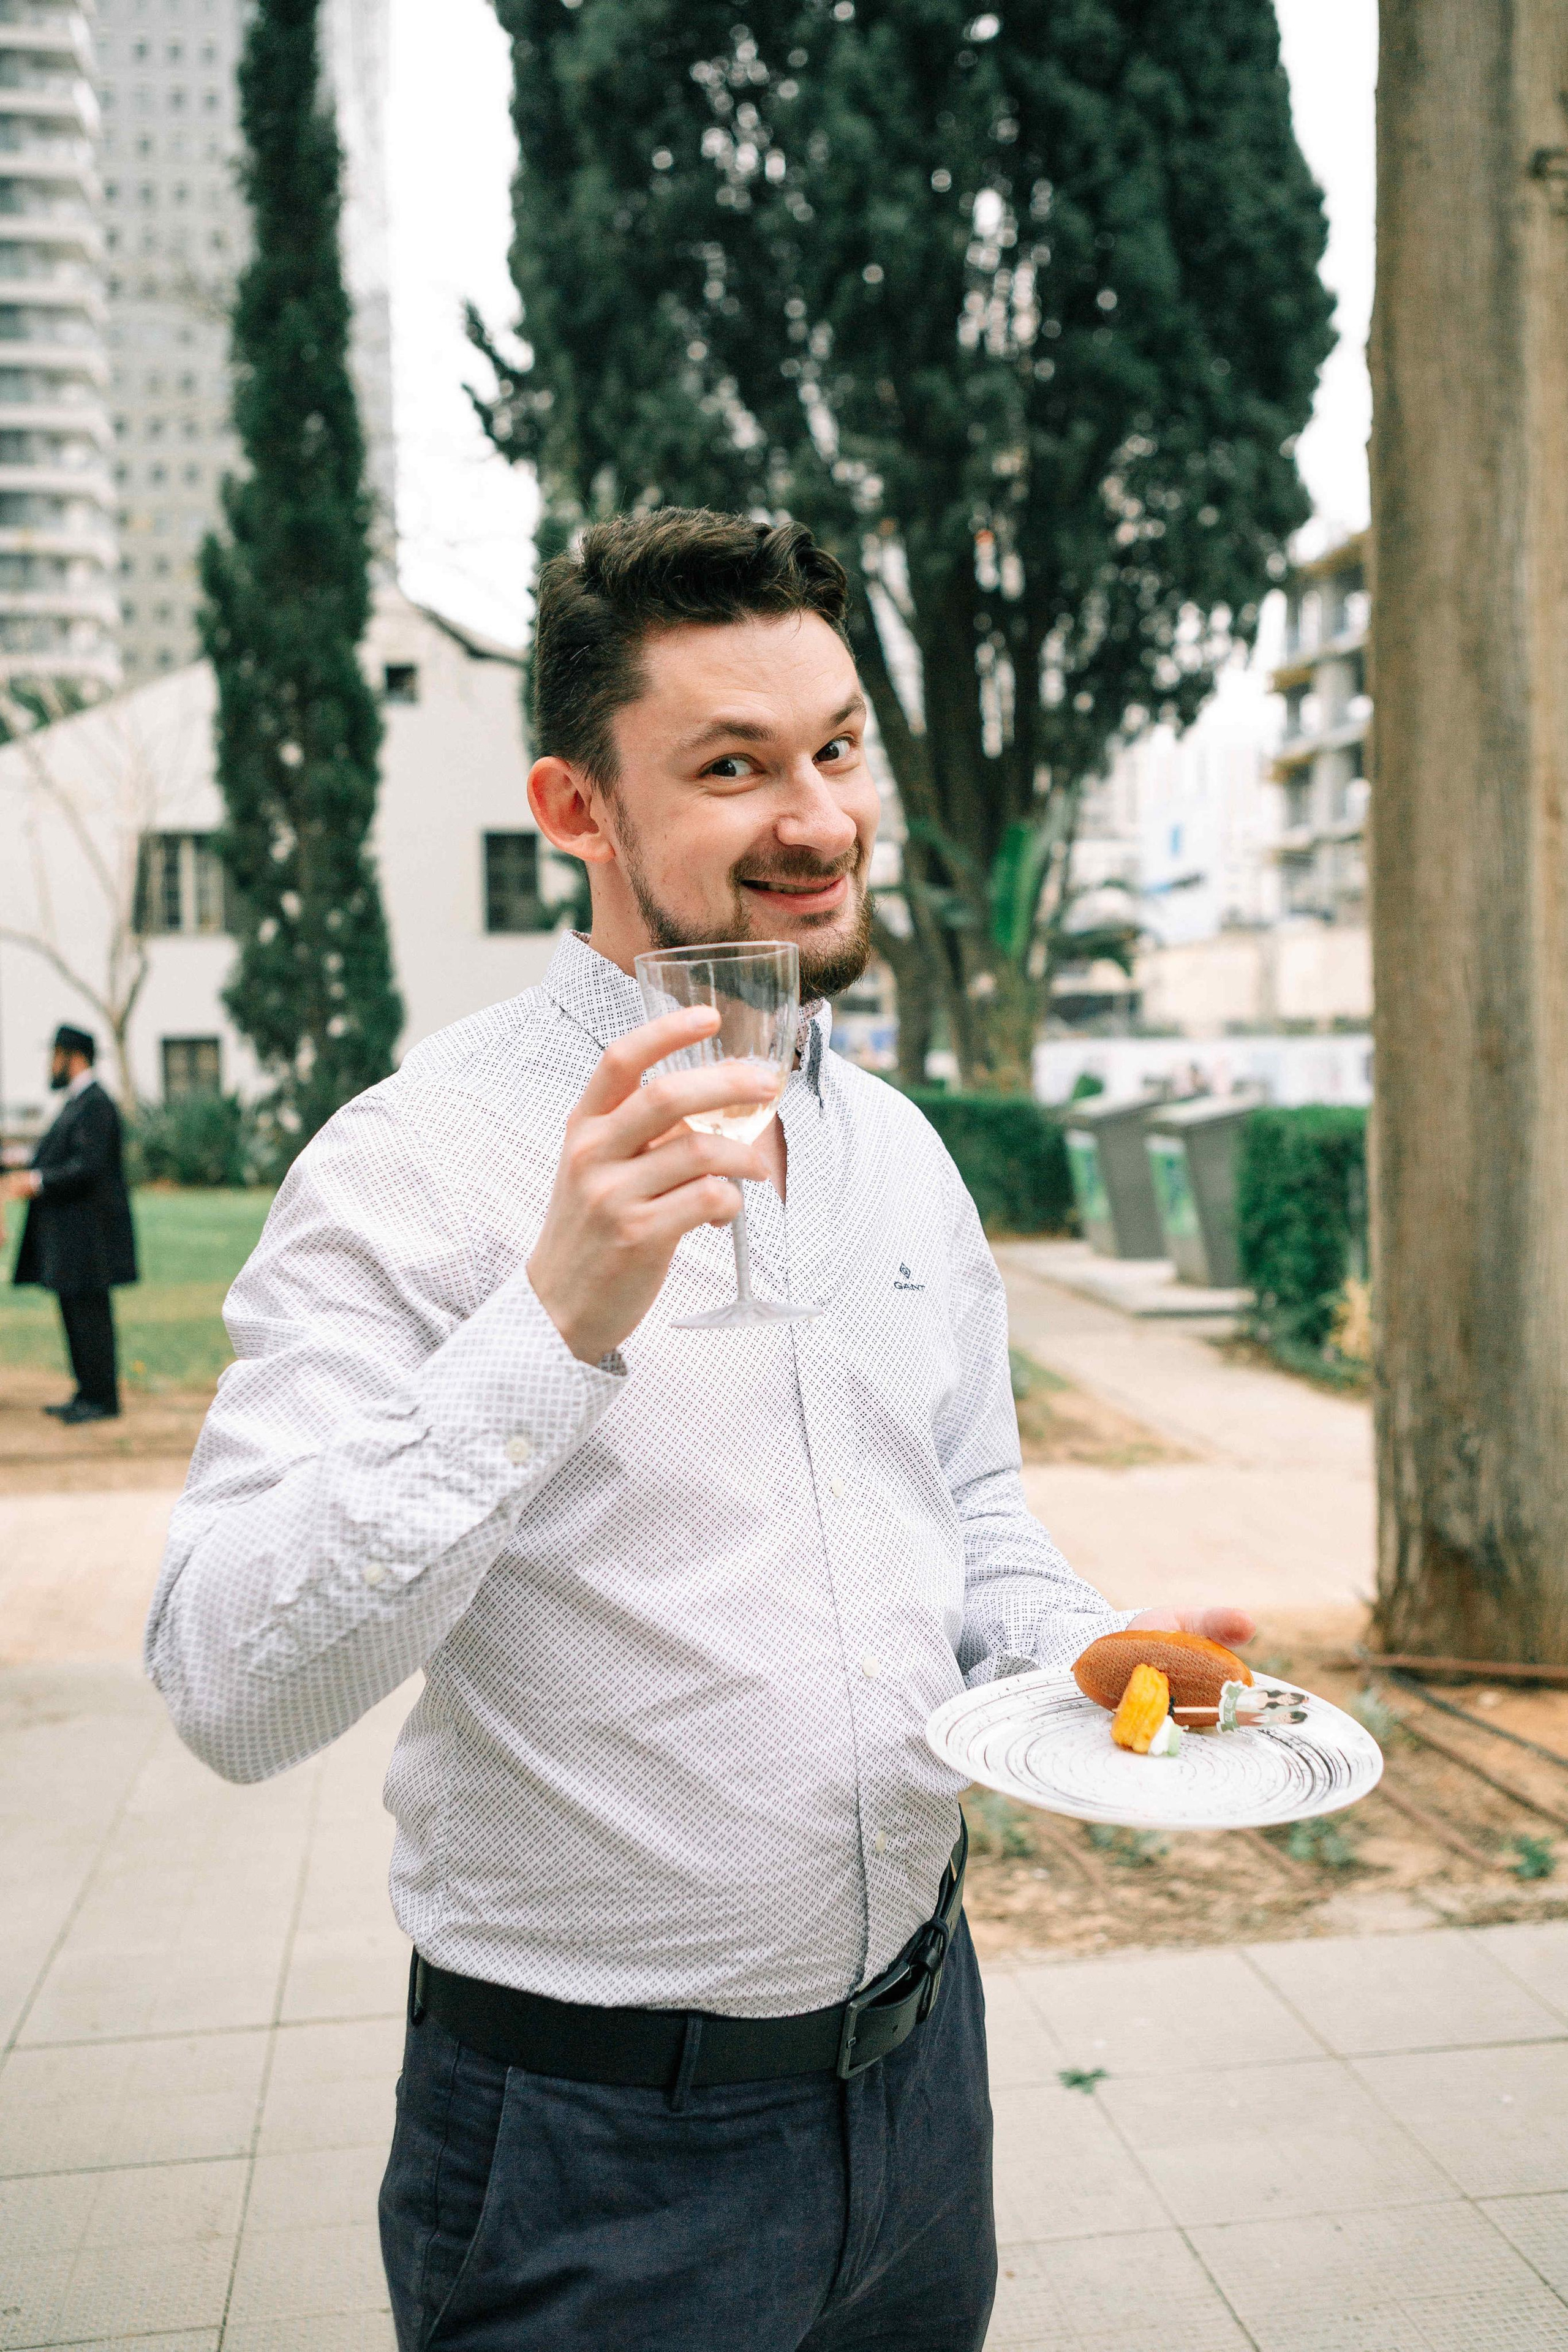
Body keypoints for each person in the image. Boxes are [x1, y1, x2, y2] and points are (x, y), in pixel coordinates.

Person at [146, 509, 1254, 2352]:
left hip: (921, 2085)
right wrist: (551, 1321)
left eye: (835, 748)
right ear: (573, 807)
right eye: (732, 766)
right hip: (589, 2156)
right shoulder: (410, 1161)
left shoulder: (898, 1153)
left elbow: (968, 1507)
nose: (817, 819)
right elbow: (227, 1682)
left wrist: (1086, 1652)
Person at [2, 1023, 137, 1424]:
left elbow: (88, 1166)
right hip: (71, 1237)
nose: (51, 1065)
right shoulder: (77, 1102)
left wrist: (37, 1182)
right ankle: (85, 1392)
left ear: (71, 1057)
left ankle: (102, 1399)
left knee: (91, 1317)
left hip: (90, 1238)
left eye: (54, 1056)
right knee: (75, 1316)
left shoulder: (96, 1104)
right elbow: (56, 1154)